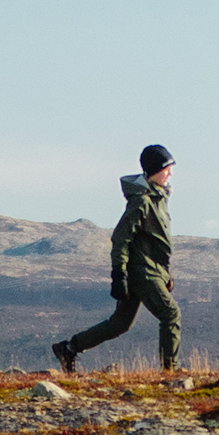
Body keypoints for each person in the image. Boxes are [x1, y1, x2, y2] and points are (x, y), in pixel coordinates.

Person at [52, 145, 182, 373]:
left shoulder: (159, 199)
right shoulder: (141, 202)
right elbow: (121, 239)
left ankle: (69, 348)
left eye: (171, 168)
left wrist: (166, 273)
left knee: (120, 324)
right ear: (153, 171)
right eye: (166, 169)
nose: (170, 173)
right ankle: (170, 372)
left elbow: (155, 243)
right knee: (170, 314)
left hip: (152, 271)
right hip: (142, 273)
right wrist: (119, 275)